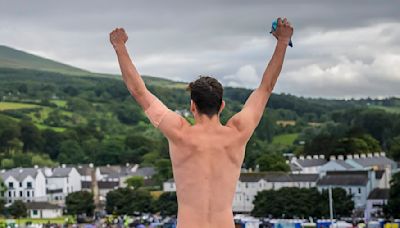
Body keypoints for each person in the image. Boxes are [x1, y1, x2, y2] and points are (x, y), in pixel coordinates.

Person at [109, 17, 294, 228]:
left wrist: (120, 46)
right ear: (222, 106)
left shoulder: (180, 134)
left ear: (192, 106)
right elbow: (265, 88)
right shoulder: (238, 133)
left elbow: (139, 91)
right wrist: (282, 41)